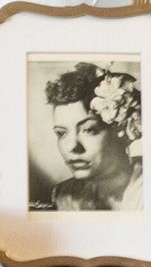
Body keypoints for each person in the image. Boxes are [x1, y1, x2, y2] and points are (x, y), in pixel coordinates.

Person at [39, 63, 143, 211]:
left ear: (122, 128)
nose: (72, 146)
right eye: (61, 133)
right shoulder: (64, 196)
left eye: (89, 130)